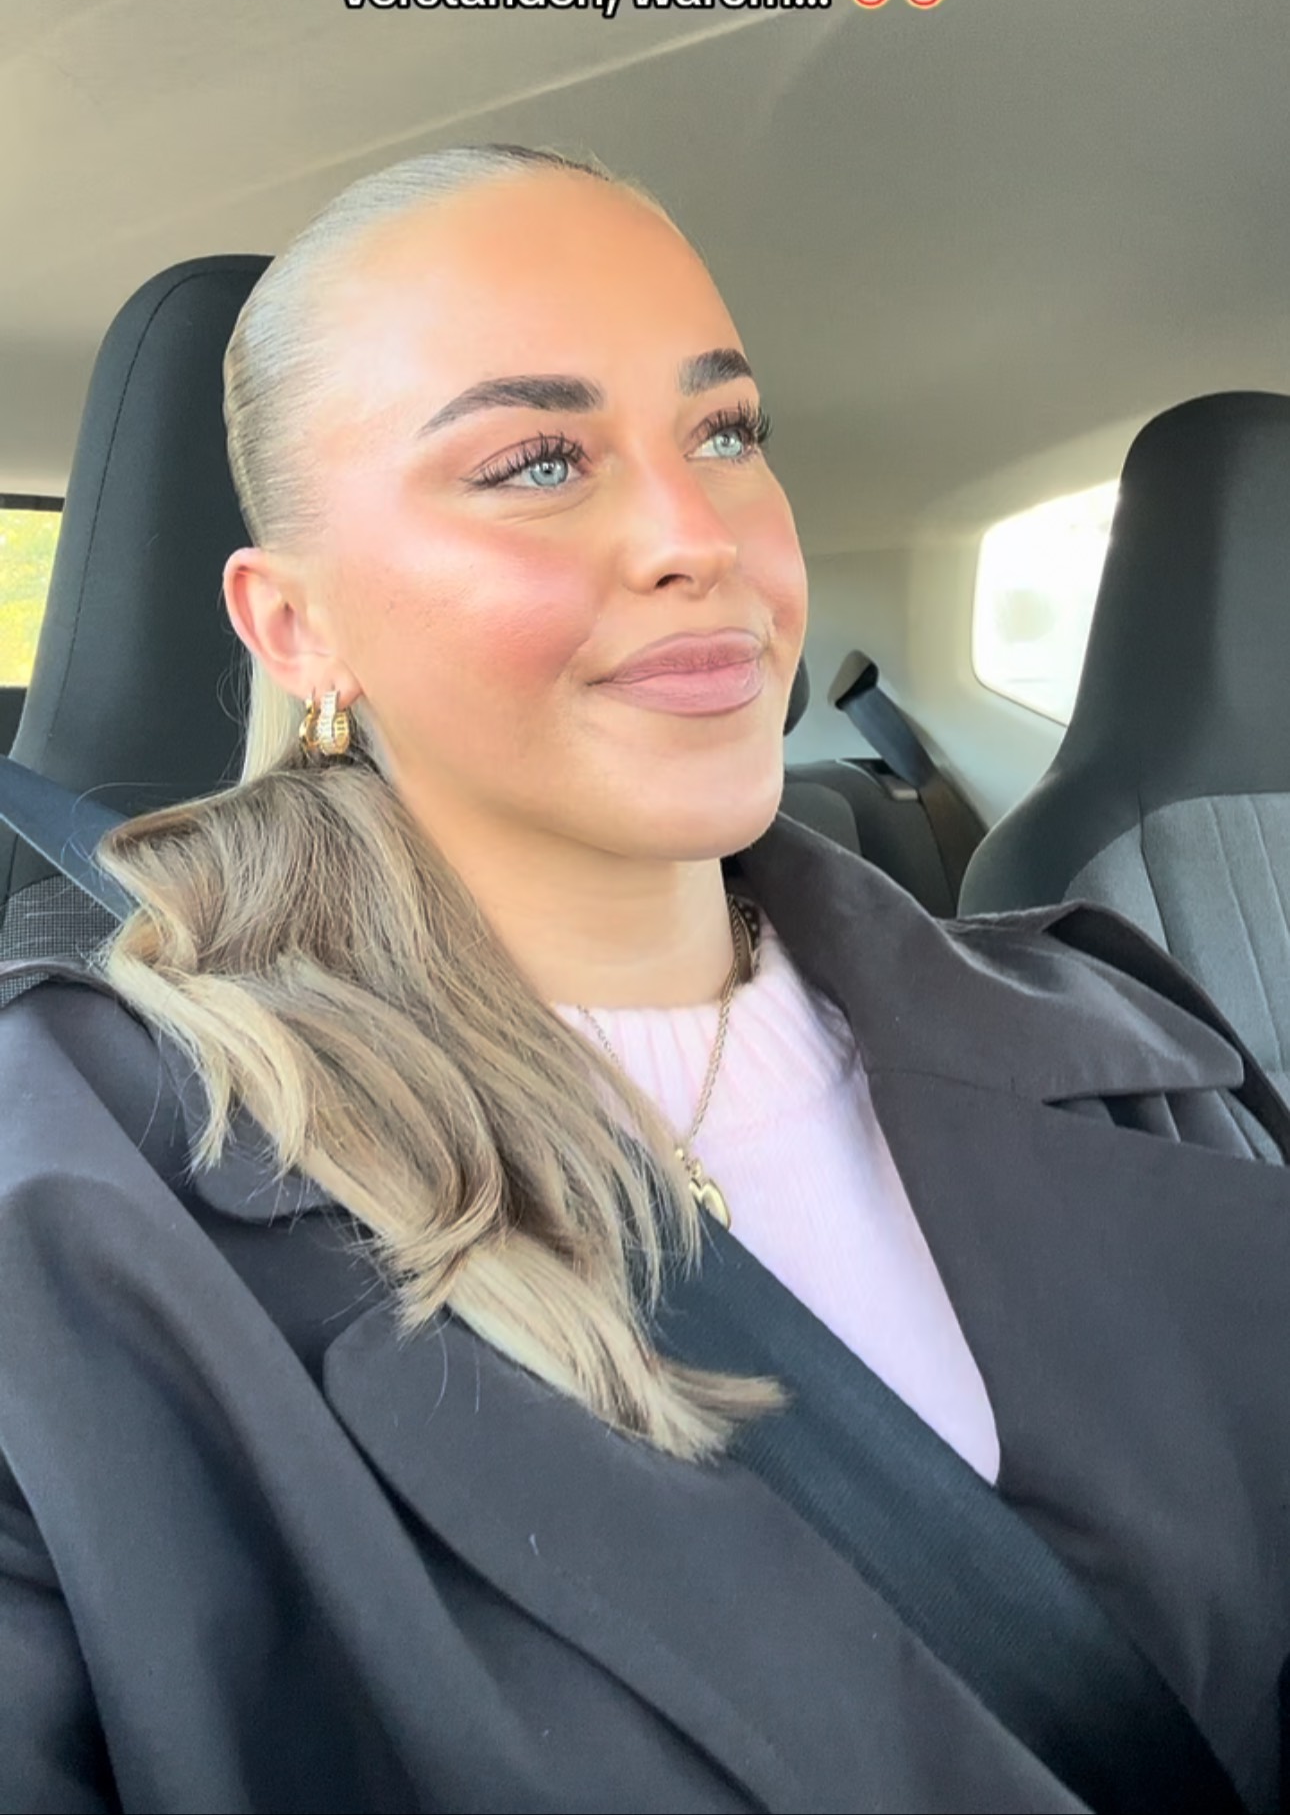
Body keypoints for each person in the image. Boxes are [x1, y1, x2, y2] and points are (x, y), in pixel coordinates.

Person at [1, 143, 1289, 1815]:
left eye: (725, 430)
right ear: (296, 627)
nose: (697, 535)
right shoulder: (70, 1203)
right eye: (537, 459)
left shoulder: (1135, 1049)